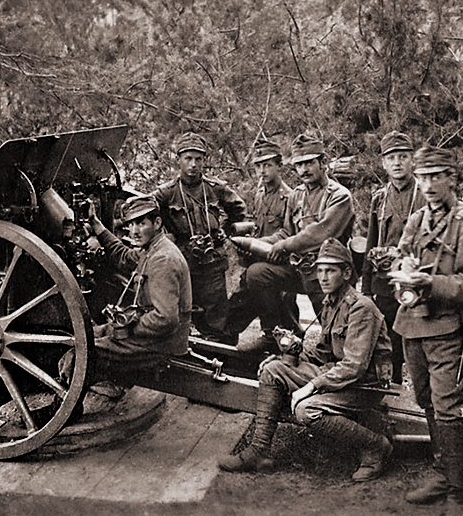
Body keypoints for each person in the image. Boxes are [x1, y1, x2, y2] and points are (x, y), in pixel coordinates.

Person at [218, 238, 393, 482]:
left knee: (306, 410)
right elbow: (323, 353)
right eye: (319, 270)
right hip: (342, 376)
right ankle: (259, 451)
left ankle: (375, 447)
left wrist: (311, 386)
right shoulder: (332, 302)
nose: (322, 277)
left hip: (365, 385)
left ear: (346, 273)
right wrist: (287, 355)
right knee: (273, 370)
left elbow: (354, 367)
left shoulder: (361, 307)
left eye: (330, 271)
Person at [388, 147, 463, 514]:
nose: (428, 184)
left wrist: (430, 283)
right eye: (423, 177)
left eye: (436, 176)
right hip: (413, 325)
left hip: (447, 329)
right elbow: (400, 254)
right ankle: (440, 474)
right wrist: (404, 267)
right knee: (427, 401)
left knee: (448, 408)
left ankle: (459, 495)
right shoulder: (416, 220)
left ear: (452, 178)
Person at [235, 133, 355, 351]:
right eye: (299, 164)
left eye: (309, 163)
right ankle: (274, 335)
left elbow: (319, 234)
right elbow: (286, 233)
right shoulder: (297, 196)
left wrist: (283, 246)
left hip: (328, 274)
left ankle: (341, 361)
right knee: (257, 273)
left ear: (323, 163)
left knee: (338, 335)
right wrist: (256, 244)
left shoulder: (339, 195)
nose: (304, 169)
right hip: (299, 270)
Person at [59, 195, 192, 383]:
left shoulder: (163, 259)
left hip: (160, 343)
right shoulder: (153, 248)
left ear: (157, 223)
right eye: (130, 224)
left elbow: (166, 319)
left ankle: (63, 405)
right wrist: (95, 223)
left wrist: (127, 329)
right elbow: (123, 255)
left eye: (141, 223)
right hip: (156, 335)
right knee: (86, 334)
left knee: (79, 353)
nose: (134, 231)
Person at [152, 132, 247, 343]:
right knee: (181, 312)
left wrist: (225, 230)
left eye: (198, 159)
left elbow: (238, 209)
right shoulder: (166, 193)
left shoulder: (215, 188)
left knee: (216, 317)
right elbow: (149, 215)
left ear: (204, 161)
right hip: (182, 261)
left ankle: (220, 357)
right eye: (188, 158)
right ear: (179, 160)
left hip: (212, 260)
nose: (193, 164)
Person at [225, 138, 299, 350]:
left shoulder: (290, 197)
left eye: (268, 165)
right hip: (257, 263)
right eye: (258, 166)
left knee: (287, 317)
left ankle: (292, 353)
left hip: (279, 264)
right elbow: (258, 225)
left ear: (279, 166)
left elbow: (288, 234)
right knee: (239, 310)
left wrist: (255, 242)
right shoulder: (260, 194)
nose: (262, 171)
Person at [361, 131, 420, 384]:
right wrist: (365, 288)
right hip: (384, 284)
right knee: (387, 342)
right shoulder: (379, 199)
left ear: (412, 160)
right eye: (391, 158)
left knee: (416, 341)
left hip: (414, 281)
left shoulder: (424, 196)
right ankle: (391, 387)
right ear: (384, 163)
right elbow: (370, 243)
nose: (397, 163)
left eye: (403, 157)